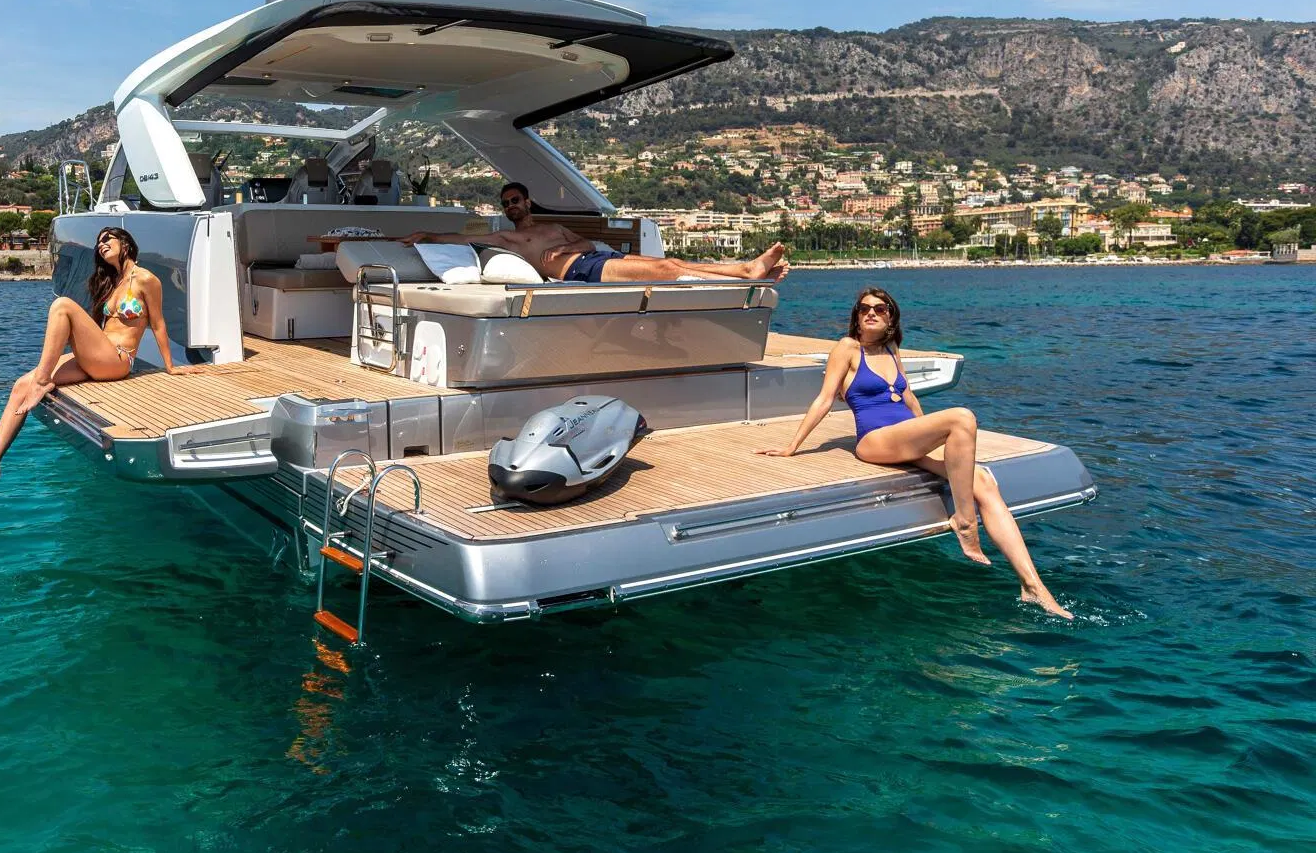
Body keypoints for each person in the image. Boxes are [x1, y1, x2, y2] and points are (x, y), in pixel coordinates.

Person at [756, 288, 1070, 618]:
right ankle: (964, 522)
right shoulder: (847, 348)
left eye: (880, 308)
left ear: (891, 317)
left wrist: (930, 435)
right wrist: (792, 447)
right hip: (875, 441)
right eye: (864, 308)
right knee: (962, 417)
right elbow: (824, 399)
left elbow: (909, 398)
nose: (871, 313)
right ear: (856, 317)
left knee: (984, 481)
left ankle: (1033, 587)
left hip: (905, 437)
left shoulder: (891, 349)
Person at [0, 226, 195, 484]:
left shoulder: (146, 279)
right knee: (20, 386)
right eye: (98, 242)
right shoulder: (114, 281)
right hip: (98, 357)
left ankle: (42, 381)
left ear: (125, 243)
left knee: (62, 305)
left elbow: (158, 324)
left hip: (117, 360)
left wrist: (170, 366)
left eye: (107, 239)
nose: (101, 244)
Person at [404, 182, 788, 282]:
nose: (510, 207)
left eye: (515, 200)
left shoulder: (554, 227)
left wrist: (568, 246)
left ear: (528, 201)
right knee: (667, 269)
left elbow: (585, 241)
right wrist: (427, 236)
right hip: (580, 271)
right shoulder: (507, 239)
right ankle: (746, 272)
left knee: (670, 261)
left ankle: (746, 270)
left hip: (596, 256)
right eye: (505, 204)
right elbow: (460, 239)